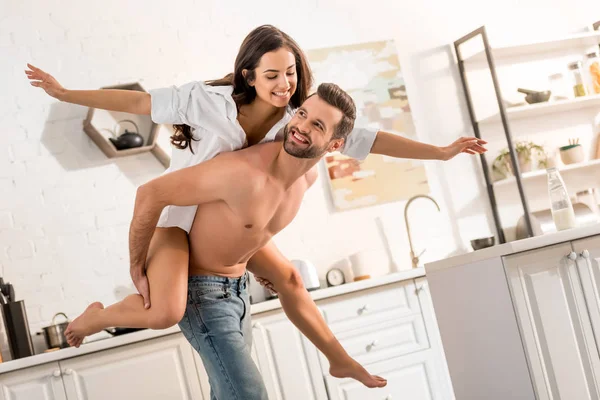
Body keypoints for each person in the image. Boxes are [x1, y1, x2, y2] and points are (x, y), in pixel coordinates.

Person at [84, 83, 386, 399]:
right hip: (202, 294)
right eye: (302, 114)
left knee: (288, 285)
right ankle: (101, 316)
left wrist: (440, 152)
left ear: (335, 144)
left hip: (238, 291)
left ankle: (339, 360)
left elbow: (251, 232)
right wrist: (136, 263)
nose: (301, 126)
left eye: (317, 125)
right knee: (248, 395)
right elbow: (150, 194)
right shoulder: (243, 172)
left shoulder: (305, 179)